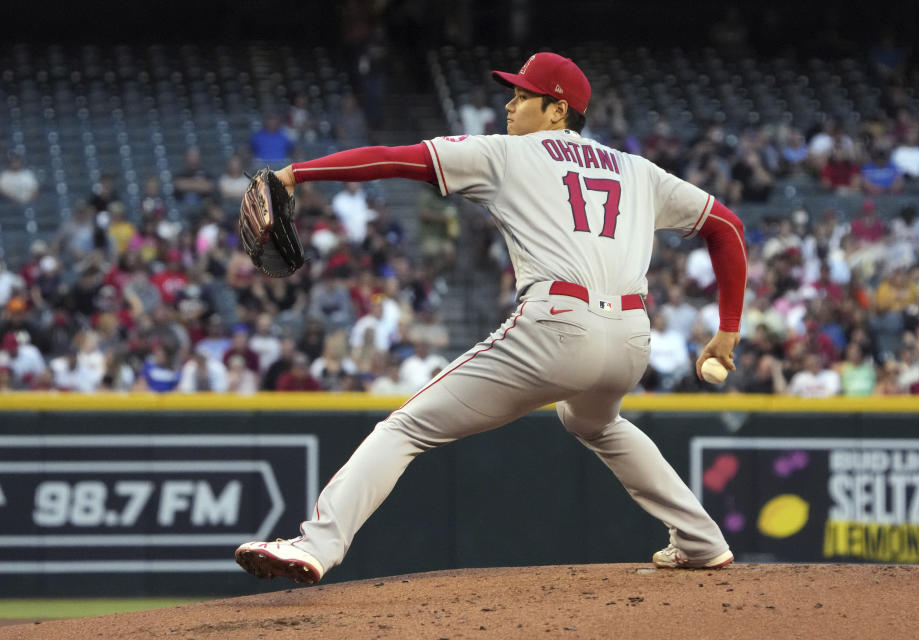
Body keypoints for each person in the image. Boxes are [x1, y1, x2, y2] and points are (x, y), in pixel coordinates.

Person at [235, 52, 745, 584]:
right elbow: (727, 227)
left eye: (524, 95)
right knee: (593, 420)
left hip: (558, 325)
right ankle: (701, 539)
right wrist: (728, 330)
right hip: (630, 340)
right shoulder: (639, 171)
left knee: (407, 426)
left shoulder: (505, 155)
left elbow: (393, 158)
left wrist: (298, 172)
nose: (510, 103)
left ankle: (316, 544)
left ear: (557, 110)